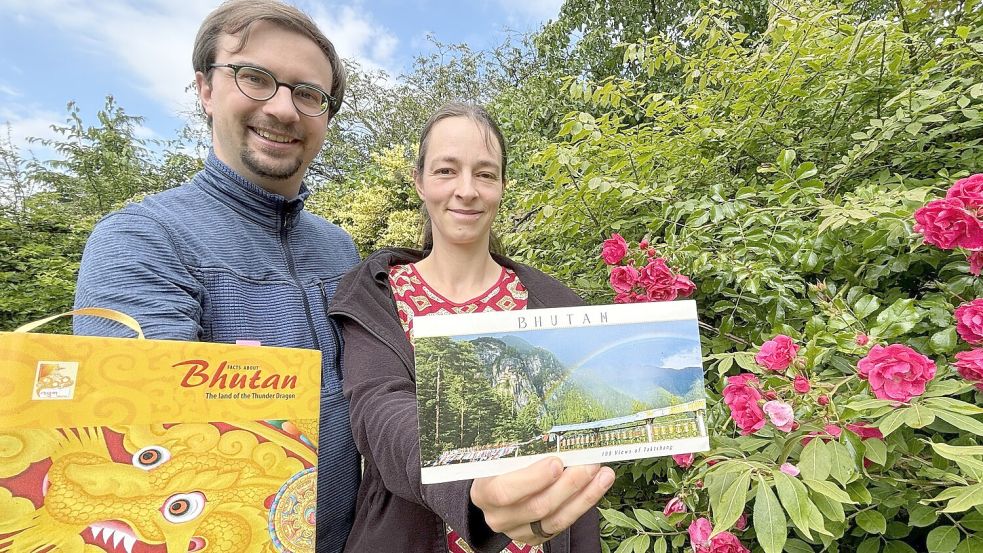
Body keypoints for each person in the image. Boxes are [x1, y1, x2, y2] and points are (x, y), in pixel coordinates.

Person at [72, 1, 358, 550]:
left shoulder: (338, 248)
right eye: (255, 77)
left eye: (308, 93)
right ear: (204, 89)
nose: (283, 108)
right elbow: (153, 450)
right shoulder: (141, 240)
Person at [329, 103, 616, 553]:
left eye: (485, 174)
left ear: (502, 186)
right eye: (446, 170)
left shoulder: (555, 305)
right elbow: (379, 411)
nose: (466, 190)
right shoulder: (376, 295)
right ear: (418, 181)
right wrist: (469, 484)